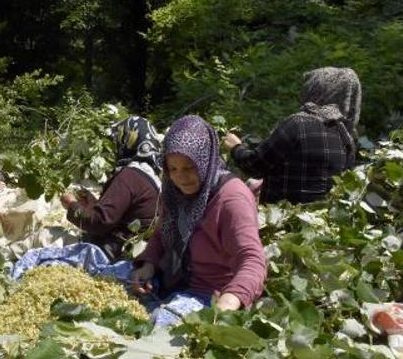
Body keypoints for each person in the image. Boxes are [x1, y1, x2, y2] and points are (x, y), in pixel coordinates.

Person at [131, 115, 266, 326]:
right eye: (173, 169)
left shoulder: (231, 198)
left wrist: (229, 301)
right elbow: (161, 235)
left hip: (208, 295)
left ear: (205, 160)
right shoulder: (175, 191)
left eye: (188, 168)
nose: (180, 177)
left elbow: (252, 260)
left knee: (161, 324)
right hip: (171, 278)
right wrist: (148, 265)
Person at [222, 67, 362, 204]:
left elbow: (255, 166)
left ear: (317, 90)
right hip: (320, 222)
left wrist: (236, 147)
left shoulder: (298, 123)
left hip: (279, 222)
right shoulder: (347, 136)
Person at [60, 116, 162, 261]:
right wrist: (94, 204)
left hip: (114, 252)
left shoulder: (129, 176)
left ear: (126, 141)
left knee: (51, 237)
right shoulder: (150, 175)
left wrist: (71, 204)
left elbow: (99, 223)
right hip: (138, 251)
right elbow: (119, 214)